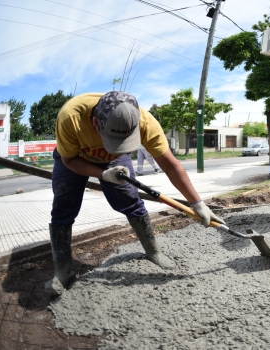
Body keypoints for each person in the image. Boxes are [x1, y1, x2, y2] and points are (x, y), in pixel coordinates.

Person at [48, 91, 224, 296]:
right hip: (75, 157)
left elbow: (171, 166)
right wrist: (103, 174)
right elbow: (69, 161)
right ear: (95, 124)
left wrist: (197, 202)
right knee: (63, 206)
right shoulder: (71, 117)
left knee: (131, 200)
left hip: (113, 162)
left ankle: (153, 251)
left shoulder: (146, 122)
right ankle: (63, 271)